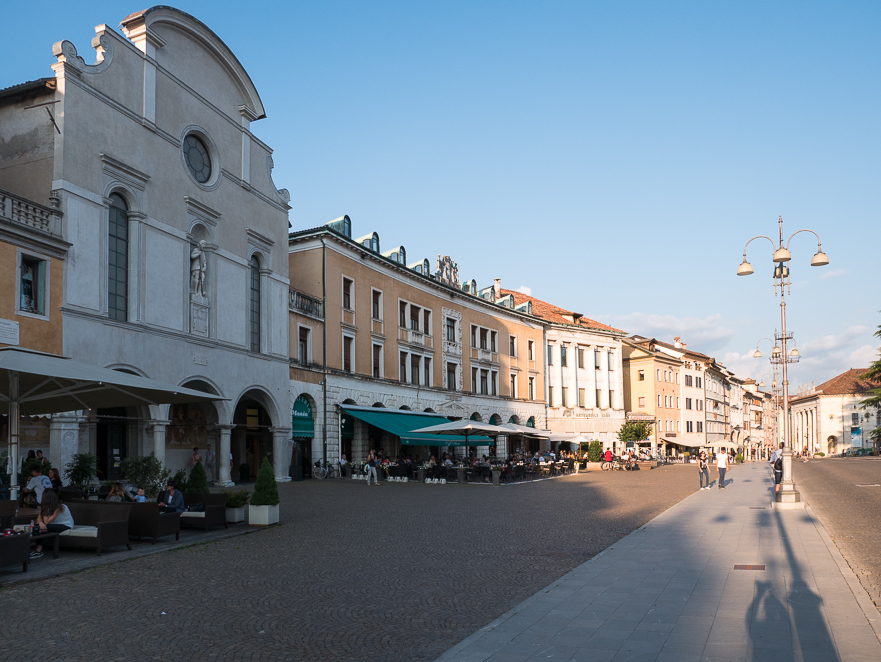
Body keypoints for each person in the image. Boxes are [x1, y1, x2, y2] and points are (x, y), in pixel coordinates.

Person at [30, 490, 74, 558]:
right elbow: (39, 518)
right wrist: (41, 523)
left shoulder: (59, 507)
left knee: (44, 527)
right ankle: (37, 549)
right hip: (53, 525)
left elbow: (47, 521)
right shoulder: (47, 508)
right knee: (38, 527)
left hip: (65, 525)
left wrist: (43, 518)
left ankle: (38, 550)